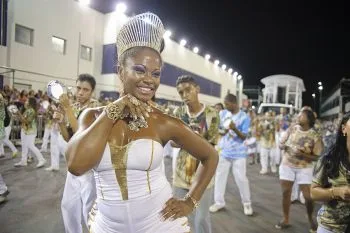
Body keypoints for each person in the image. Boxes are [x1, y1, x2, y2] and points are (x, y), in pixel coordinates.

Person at [66, 12, 218, 233]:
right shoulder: (92, 116)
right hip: (108, 227)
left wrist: (190, 201)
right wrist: (113, 110)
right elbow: (76, 166)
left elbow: (210, 155)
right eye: (139, 70)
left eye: (156, 74)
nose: (149, 80)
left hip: (160, 223)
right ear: (120, 71)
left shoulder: (162, 121)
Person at [172, 75, 219, 233]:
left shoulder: (211, 113)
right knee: (182, 219)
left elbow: (211, 148)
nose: (185, 95)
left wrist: (186, 139)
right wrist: (193, 139)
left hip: (203, 176)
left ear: (197, 89)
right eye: (181, 92)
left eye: (188, 90)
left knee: (202, 219)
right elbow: (172, 141)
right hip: (181, 176)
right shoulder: (178, 112)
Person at [53, 74, 99, 233]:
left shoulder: (95, 109)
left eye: (85, 90)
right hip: (73, 164)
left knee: (89, 208)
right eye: (78, 88)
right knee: (68, 205)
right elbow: (69, 138)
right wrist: (60, 123)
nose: (80, 92)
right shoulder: (75, 106)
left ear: (92, 92)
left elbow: (81, 134)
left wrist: (66, 109)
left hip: (88, 168)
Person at [275, 108, 323, 232]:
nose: (298, 117)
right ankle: (285, 219)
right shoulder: (292, 128)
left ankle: (310, 217)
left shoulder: (315, 135)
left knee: (308, 196)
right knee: (286, 193)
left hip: (305, 167)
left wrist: (303, 155)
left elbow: (317, 156)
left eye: (301, 116)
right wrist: (284, 146)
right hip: (287, 164)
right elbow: (280, 144)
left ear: (308, 120)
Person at [209, 93, 253, 216]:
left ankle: (247, 203)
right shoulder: (223, 114)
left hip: (239, 153)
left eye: (227, 104)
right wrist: (223, 131)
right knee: (219, 177)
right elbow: (219, 129)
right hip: (224, 151)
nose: (225, 106)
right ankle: (219, 202)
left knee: (241, 179)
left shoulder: (244, 117)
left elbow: (244, 136)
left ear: (234, 103)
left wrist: (234, 129)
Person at [311, 112, 350, 233]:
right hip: (332, 226)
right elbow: (313, 192)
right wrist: (336, 191)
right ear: (344, 129)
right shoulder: (329, 159)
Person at [13, 97, 46, 168]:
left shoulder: (31, 111)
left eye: (27, 101)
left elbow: (27, 121)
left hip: (30, 131)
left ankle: (42, 159)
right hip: (25, 130)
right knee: (24, 146)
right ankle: (23, 161)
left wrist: (18, 113)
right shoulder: (27, 110)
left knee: (30, 145)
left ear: (30, 103)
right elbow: (23, 120)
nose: (25, 102)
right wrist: (18, 115)